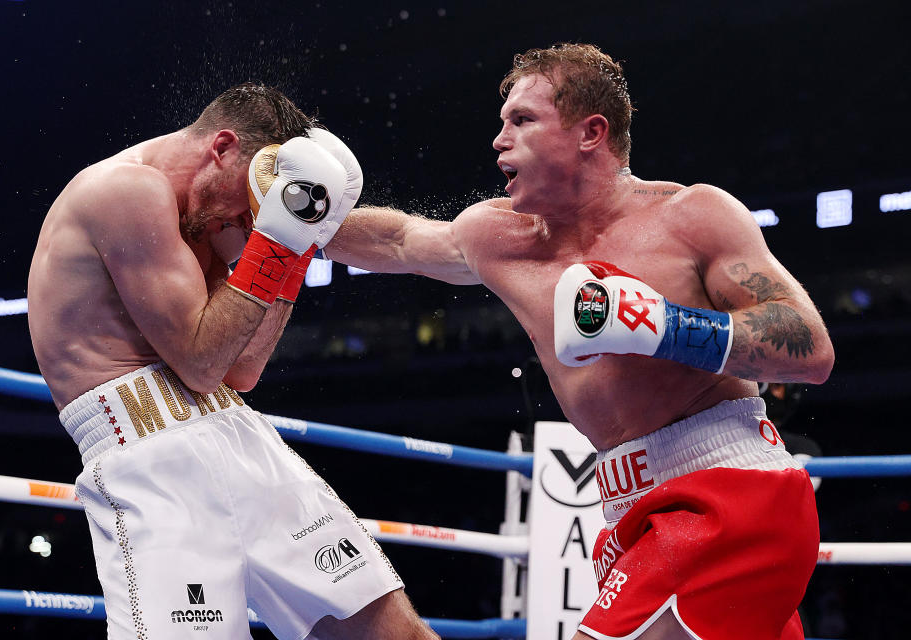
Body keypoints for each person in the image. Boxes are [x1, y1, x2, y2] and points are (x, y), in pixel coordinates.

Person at [324, 44, 834, 640]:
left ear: (591, 132)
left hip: (727, 493)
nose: (498, 139)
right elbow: (399, 241)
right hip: (630, 508)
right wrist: (294, 212)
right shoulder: (499, 237)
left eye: (522, 120)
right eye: (502, 122)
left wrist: (665, 327)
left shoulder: (689, 215)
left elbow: (811, 347)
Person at [27, 82, 437, 640]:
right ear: (221, 146)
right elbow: (199, 362)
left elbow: (240, 369)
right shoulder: (125, 191)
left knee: (394, 633)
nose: (243, 220)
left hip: (236, 434)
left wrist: (293, 247)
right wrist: (274, 244)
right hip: (149, 459)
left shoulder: (210, 211)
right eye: (245, 201)